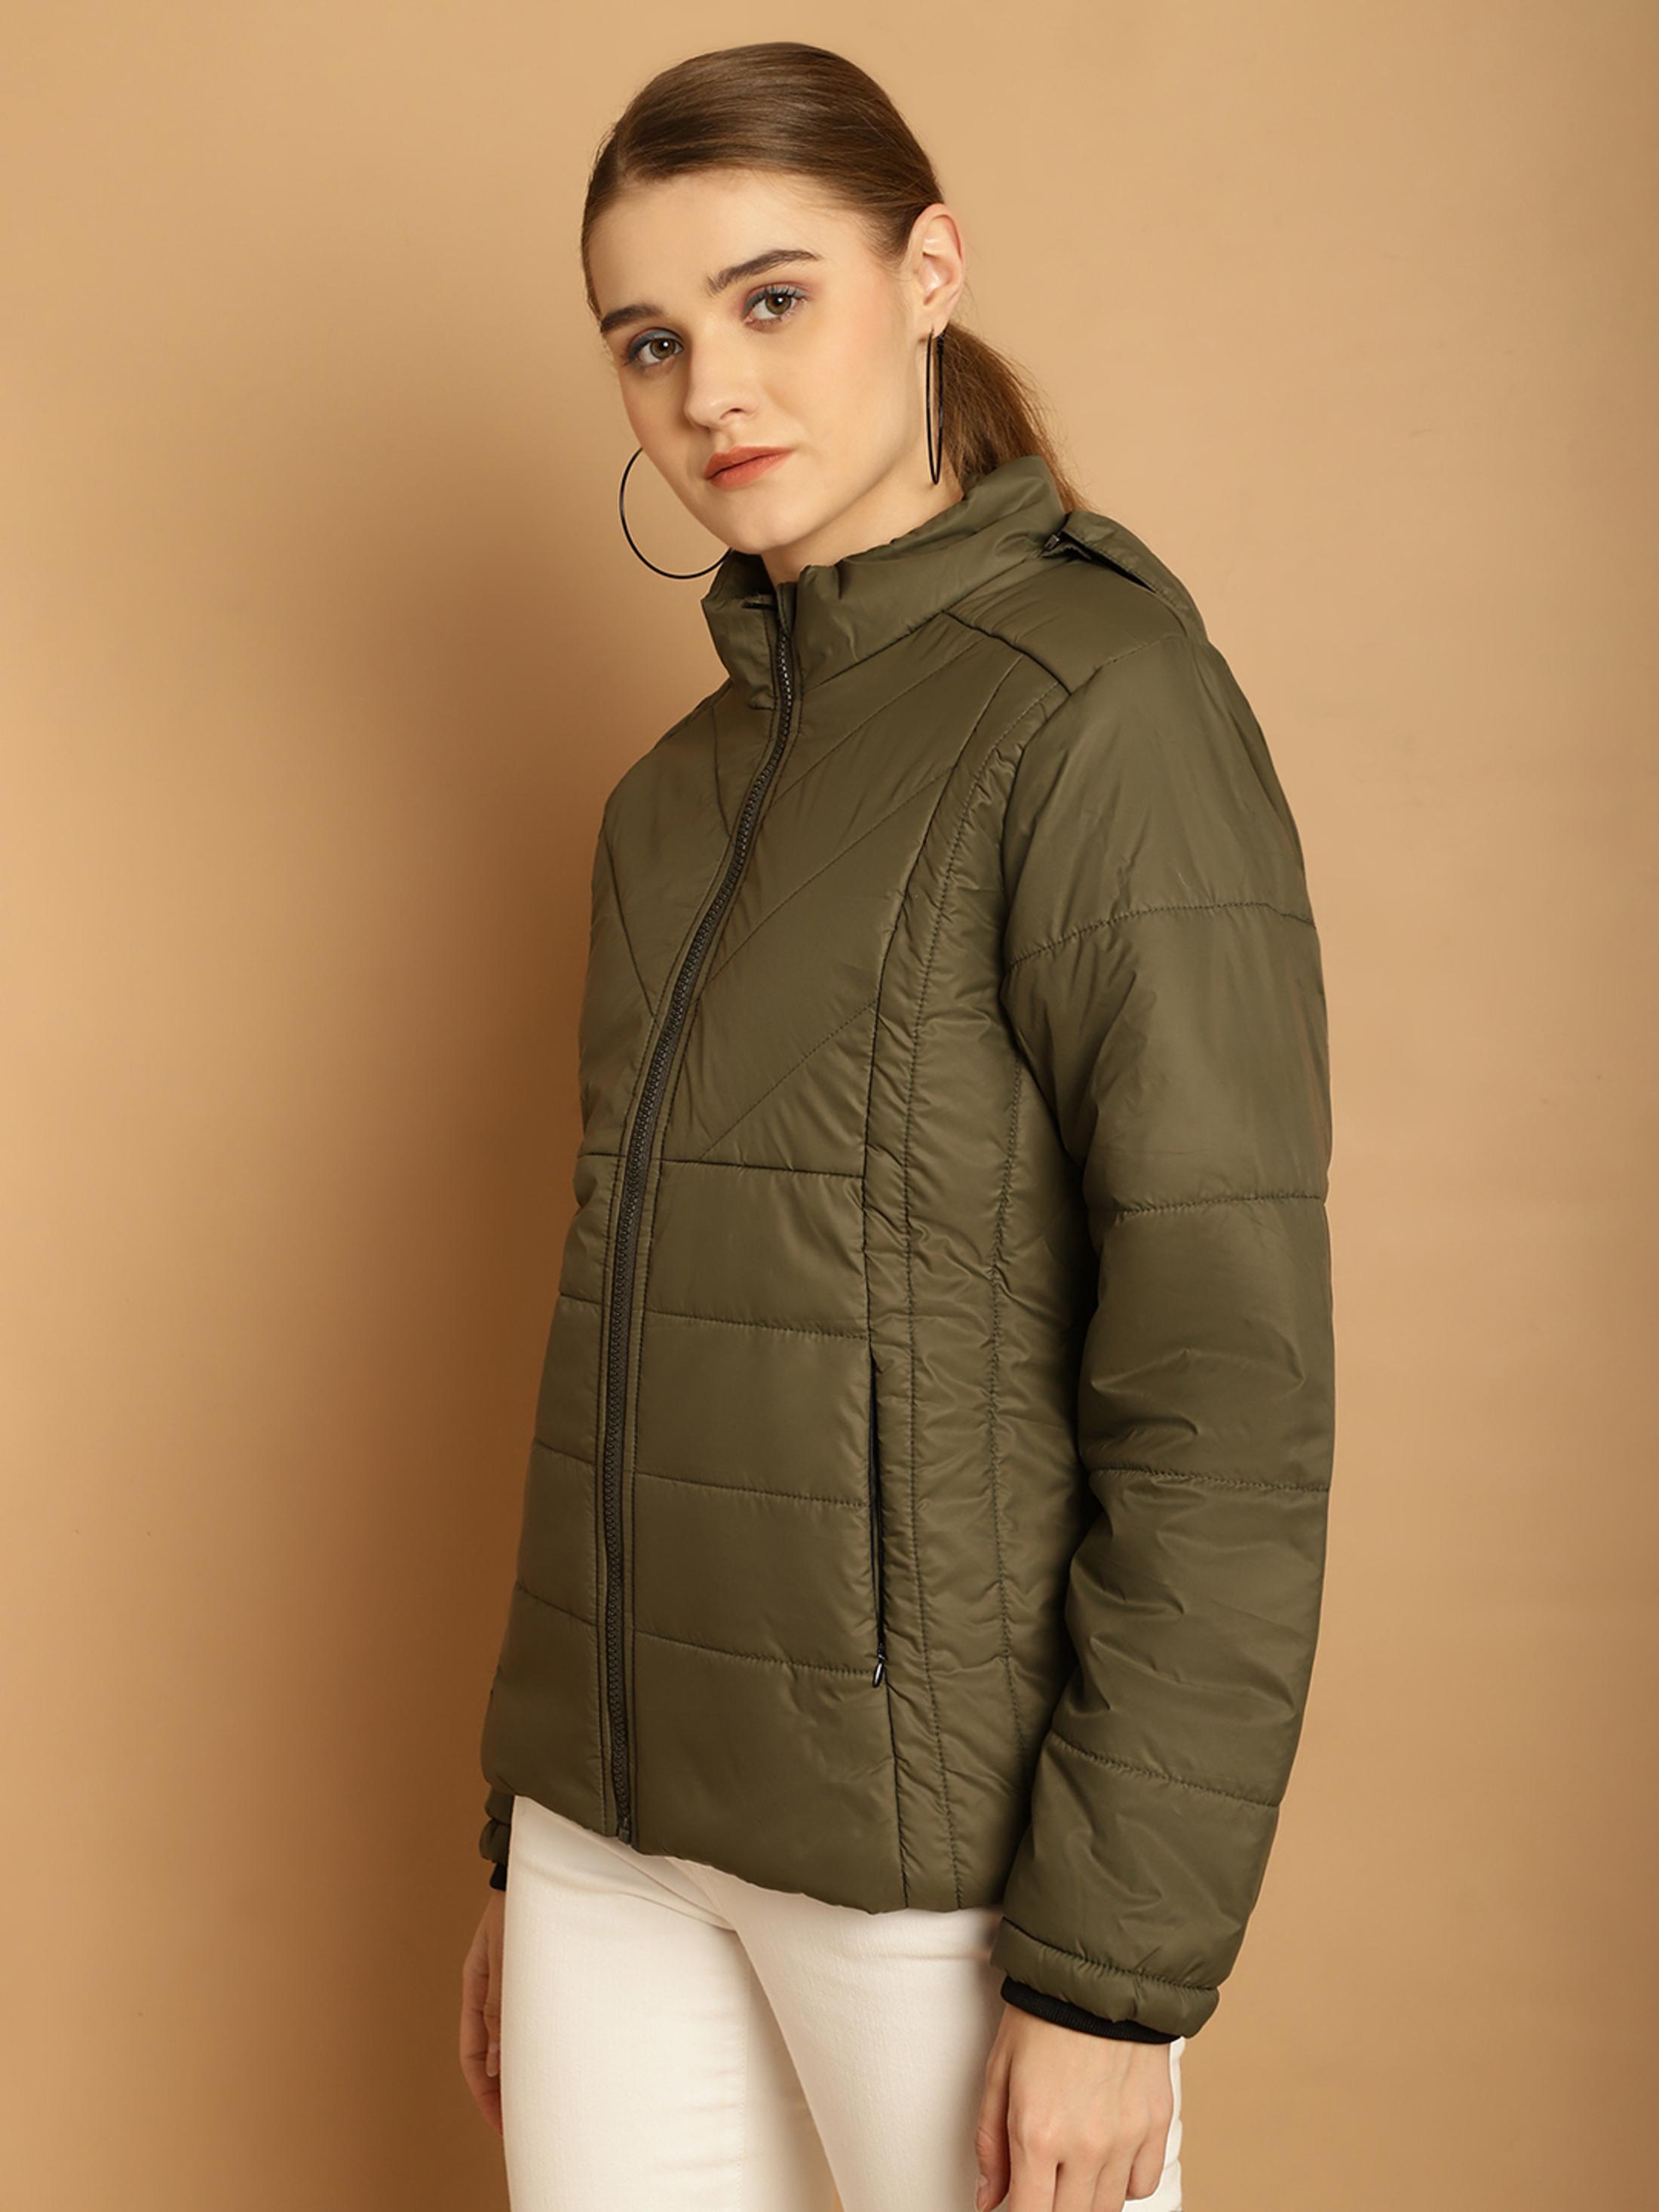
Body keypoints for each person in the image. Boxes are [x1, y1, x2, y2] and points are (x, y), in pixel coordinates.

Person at [458, 38, 1335, 2212]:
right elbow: (620, 1336)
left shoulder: (1103, 710)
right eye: (648, 341)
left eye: (774, 300)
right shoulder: (666, 805)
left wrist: (1115, 1977)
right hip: (616, 1849)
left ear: (928, 272)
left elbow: (1224, 1389)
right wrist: (531, 1836)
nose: (711, 391)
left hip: (936, 1874)